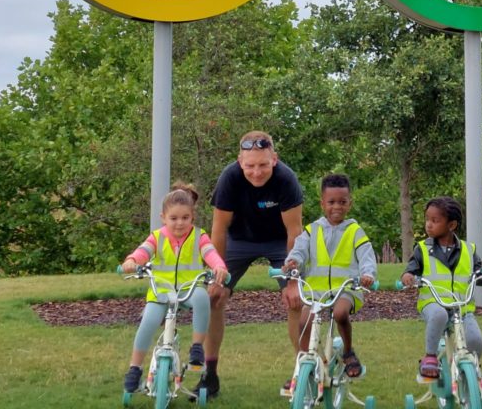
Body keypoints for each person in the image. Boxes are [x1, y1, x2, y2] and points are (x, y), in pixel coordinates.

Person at [194, 131, 305, 400]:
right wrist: (218, 276)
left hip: (280, 242)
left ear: (274, 160)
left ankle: (304, 371)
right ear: (240, 161)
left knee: (296, 300)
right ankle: (210, 374)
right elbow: (218, 230)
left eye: (263, 165)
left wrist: (292, 280)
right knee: (214, 298)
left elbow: (294, 233)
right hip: (238, 240)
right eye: (250, 166)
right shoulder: (229, 178)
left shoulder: (287, 180)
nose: (257, 172)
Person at [120, 183, 229, 395]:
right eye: (174, 218)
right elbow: (143, 251)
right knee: (148, 322)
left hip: (189, 289)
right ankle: (134, 369)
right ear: (163, 218)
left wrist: (218, 267)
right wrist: (132, 260)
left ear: (192, 218)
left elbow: (211, 254)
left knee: (202, 299)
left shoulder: (199, 236)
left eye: (185, 218)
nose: (180, 223)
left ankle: (197, 347)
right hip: (161, 291)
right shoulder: (157, 237)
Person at [283, 173, 377, 382]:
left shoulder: (355, 231)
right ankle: (304, 361)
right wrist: (293, 262)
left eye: (342, 202)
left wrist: (367, 274)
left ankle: (348, 352)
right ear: (322, 203)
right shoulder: (311, 230)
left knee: (340, 313)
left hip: (346, 289)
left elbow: (366, 257)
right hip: (316, 291)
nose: (337, 207)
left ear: (349, 204)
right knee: (304, 321)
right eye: (332, 202)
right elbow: (299, 251)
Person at [400, 196, 482, 397]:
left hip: (461, 307)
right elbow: (411, 270)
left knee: (475, 340)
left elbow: (479, 277)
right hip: (432, 303)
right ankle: (430, 357)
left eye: (435, 220)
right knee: (438, 316)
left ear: (451, 225)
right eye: (427, 219)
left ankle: (475, 371)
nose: (429, 224)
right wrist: (408, 277)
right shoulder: (423, 249)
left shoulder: (468, 250)